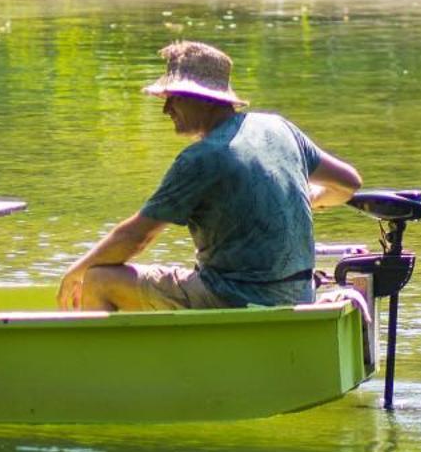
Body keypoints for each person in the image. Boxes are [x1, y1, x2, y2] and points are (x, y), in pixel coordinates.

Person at [57, 40, 361, 311]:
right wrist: (308, 196)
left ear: (202, 99)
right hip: (297, 295)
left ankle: (103, 371)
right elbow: (348, 182)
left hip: (236, 299)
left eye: (173, 97)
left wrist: (76, 271)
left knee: (98, 279)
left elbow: (136, 237)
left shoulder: (202, 157)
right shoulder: (279, 128)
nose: (166, 109)